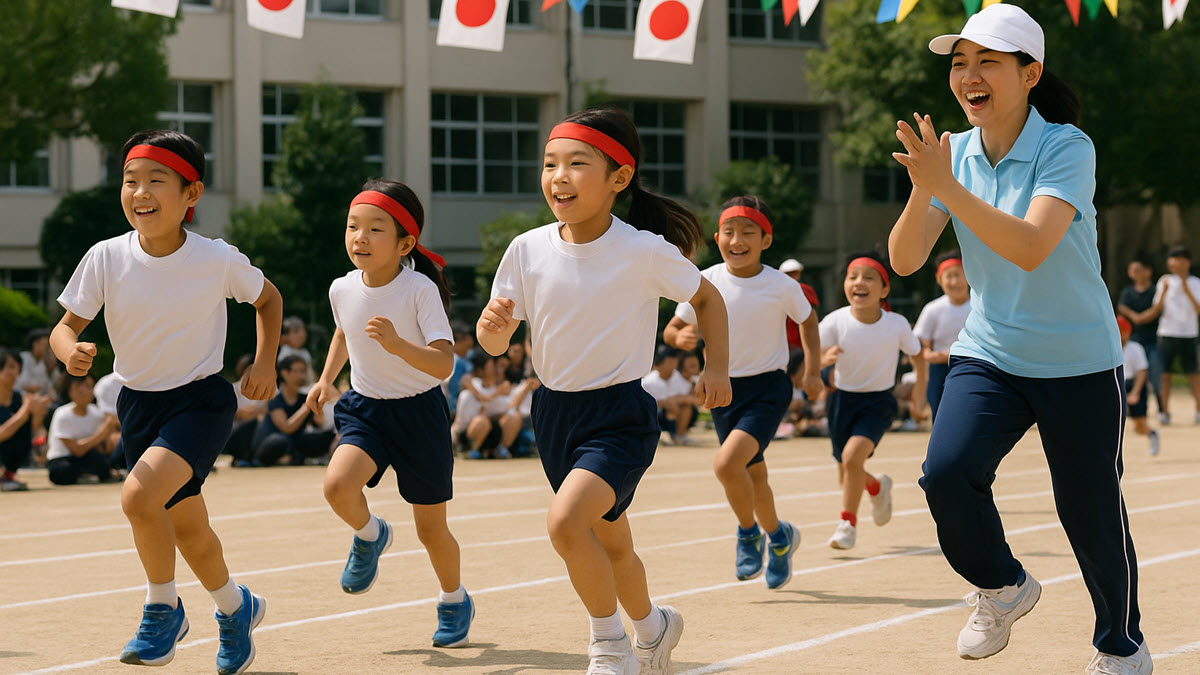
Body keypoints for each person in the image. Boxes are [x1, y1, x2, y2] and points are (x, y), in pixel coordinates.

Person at [888, 5, 1151, 670]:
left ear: (1030, 73)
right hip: (993, 351)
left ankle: (1121, 646)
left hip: (1078, 359)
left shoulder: (1066, 146)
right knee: (946, 472)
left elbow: (1031, 245)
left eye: (988, 62)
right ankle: (1002, 585)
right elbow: (905, 258)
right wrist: (928, 188)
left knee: (1088, 510)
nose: (968, 75)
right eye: (958, 63)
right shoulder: (956, 155)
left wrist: (947, 184)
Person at [478, 105, 731, 675]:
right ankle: (653, 626)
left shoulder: (642, 250)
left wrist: (716, 367)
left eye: (576, 163)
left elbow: (707, 299)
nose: (558, 176)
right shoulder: (526, 248)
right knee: (611, 544)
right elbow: (494, 344)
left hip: (619, 414)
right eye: (549, 164)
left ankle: (609, 643)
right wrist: (491, 330)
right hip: (553, 413)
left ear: (619, 178)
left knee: (565, 524)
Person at [49, 129, 282, 674]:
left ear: (190, 194)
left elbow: (267, 299)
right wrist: (70, 352)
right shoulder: (105, 257)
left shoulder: (215, 259)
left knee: (137, 498)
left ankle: (163, 608)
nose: (140, 191)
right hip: (139, 405)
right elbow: (65, 326)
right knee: (190, 532)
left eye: (156, 180)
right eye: (130, 180)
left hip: (201, 401)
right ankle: (235, 607)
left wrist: (264, 360)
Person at [305, 178, 474, 649]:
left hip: (420, 413)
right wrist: (325, 380)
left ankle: (453, 599)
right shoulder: (342, 287)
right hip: (364, 408)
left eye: (375, 229)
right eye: (353, 226)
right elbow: (344, 333)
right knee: (337, 485)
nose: (359, 237)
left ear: (405, 243)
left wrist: (400, 345)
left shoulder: (419, 289)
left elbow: (444, 362)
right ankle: (370, 534)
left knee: (430, 528)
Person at [664, 195, 821, 588]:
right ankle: (780, 538)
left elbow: (808, 320)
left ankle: (749, 534)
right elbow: (673, 327)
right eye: (729, 232)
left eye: (748, 232)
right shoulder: (706, 280)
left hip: (769, 387)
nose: (737, 239)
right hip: (722, 389)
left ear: (766, 240)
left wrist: (814, 370)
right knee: (755, 476)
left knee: (726, 465)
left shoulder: (781, 284)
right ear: (717, 237)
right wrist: (680, 336)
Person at [818, 252, 925, 551]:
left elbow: (918, 355)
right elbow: (812, 352)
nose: (859, 283)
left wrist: (919, 392)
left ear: (884, 289)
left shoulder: (896, 324)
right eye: (853, 277)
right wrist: (820, 362)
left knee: (852, 459)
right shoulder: (835, 321)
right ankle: (877, 487)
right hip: (841, 401)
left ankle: (847, 525)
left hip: (878, 402)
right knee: (846, 467)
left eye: (868, 277)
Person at [913, 250, 971, 421]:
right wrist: (928, 354)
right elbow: (921, 342)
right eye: (949, 276)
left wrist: (947, 355)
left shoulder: (980, 306)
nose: (954, 282)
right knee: (939, 416)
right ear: (939, 280)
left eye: (958, 275)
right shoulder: (933, 309)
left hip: (972, 365)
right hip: (940, 371)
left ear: (967, 275)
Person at [1145, 246, 1200, 426]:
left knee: (1193, 374)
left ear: (1188, 262)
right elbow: (1157, 308)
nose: (1177, 262)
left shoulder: (1195, 283)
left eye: (1181, 258)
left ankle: (1198, 409)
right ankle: (1164, 411)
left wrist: (1186, 289)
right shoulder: (1165, 281)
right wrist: (1164, 291)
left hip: (1188, 334)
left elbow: (1198, 309)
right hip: (1167, 333)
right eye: (1174, 258)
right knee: (1165, 374)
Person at [249, 355, 335, 466]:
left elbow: (319, 423)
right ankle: (285, 457)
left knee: (327, 437)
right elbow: (287, 428)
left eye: (304, 371)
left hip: (296, 441)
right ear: (285, 373)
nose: (302, 375)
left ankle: (291, 457)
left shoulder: (304, 398)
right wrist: (306, 407)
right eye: (298, 371)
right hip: (273, 443)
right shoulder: (276, 400)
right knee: (280, 441)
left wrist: (318, 401)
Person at [46, 374, 121, 485]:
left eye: (88, 386)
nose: (83, 390)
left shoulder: (96, 414)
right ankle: (86, 475)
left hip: (85, 456)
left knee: (102, 462)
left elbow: (100, 447)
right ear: (71, 391)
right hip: (63, 458)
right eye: (78, 386)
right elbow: (76, 449)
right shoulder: (62, 414)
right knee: (62, 470)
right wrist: (102, 434)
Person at [1116, 258, 1164, 419]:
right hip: (1133, 340)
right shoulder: (1128, 291)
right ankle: (1131, 408)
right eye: (1131, 270)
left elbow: (1158, 308)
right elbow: (1121, 307)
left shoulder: (1155, 291)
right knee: (1129, 375)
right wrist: (1135, 317)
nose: (1133, 273)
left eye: (1137, 269)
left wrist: (1139, 317)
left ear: (1148, 271)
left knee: (1156, 375)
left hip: (1153, 340)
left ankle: (1162, 410)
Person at [455, 352, 522, 459]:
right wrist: (486, 398)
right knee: (481, 421)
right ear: (481, 370)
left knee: (514, 417)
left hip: (491, 432)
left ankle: (499, 449)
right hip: (469, 432)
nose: (496, 369)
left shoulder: (500, 389)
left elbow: (510, 407)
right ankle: (470, 450)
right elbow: (465, 380)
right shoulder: (473, 386)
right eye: (491, 366)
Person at [1, 348, 51, 491]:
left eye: (17, 368)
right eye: (10, 367)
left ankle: (8, 474)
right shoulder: (25, 404)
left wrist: (38, 416)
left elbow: (37, 430)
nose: (15, 372)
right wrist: (25, 412)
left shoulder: (21, 399)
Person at [1117, 318, 1159, 456]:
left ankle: (1152, 434)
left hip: (1133, 384)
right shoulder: (1111, 348)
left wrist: (1135, 392)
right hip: (1117, 383)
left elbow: (1142, 372)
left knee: (1139, 426)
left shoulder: (1135, 348)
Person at [640, 345, 696, 445]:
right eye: (668, 361)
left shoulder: (679, 378)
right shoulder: (648, 382)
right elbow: (641, 405)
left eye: (674, 360)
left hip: (676, 412)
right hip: (656, 414)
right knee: (669, 409)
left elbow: (694, 399)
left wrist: (677, 399)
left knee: (685, 407)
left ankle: (679, 436)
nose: (672, 363)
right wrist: (665, 403)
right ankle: (662, 434)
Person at [779, 259, 819, 352]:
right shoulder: (776, 290)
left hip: (800, 341)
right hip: (785, 341)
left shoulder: (805, 290)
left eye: (794, 273)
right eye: (790, 273)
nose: (793, 276)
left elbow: (811, 317)